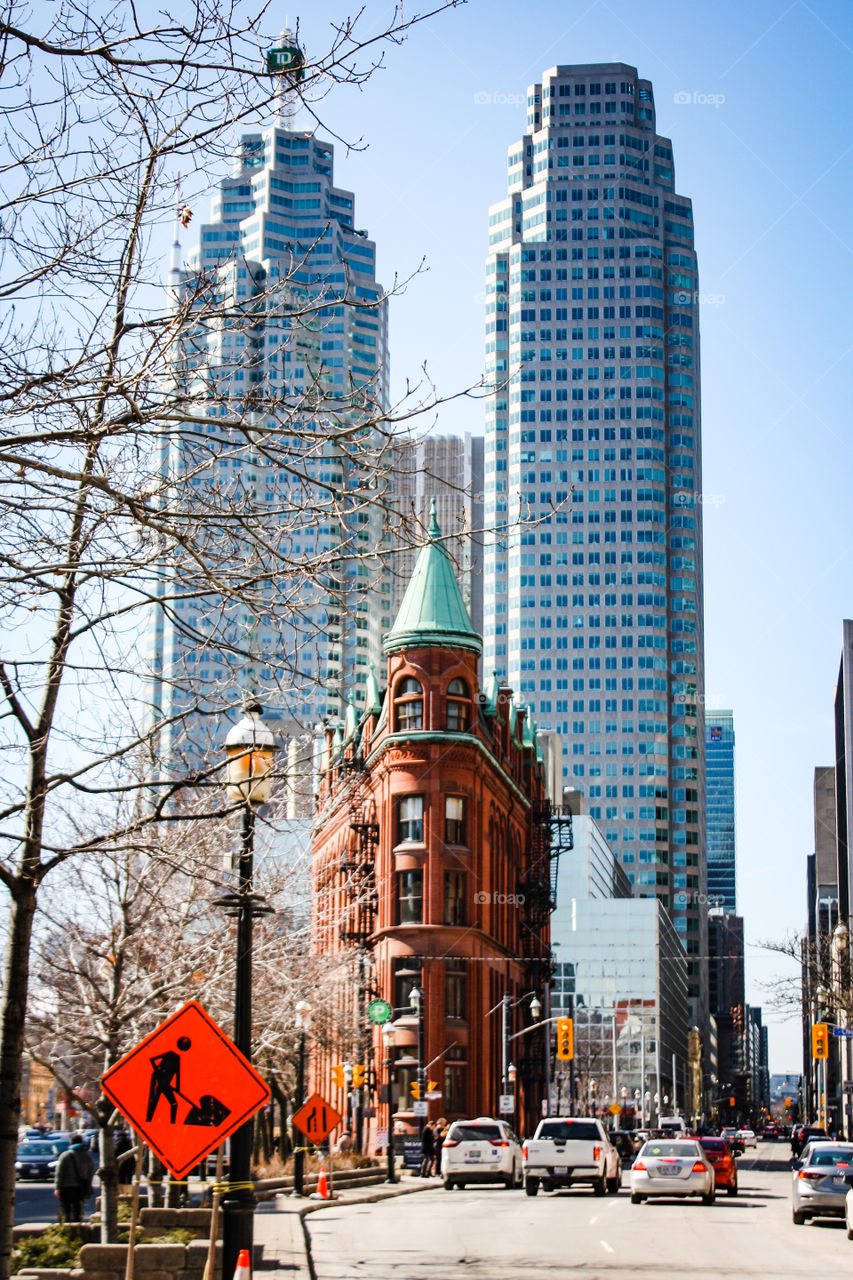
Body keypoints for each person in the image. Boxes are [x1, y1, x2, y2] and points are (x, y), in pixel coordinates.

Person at [54, 1133, 95, 1223]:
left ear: (70, 1144)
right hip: (80, 1188)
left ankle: (68, 1228)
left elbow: (59, 1173)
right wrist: (88, 1186)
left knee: (66, 1211)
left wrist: (57, 1188)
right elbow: (90, 1173)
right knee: (77, 1210)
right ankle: (77, 1228)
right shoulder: (87, 1156)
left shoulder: (65, 1156)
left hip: (66, 1187)